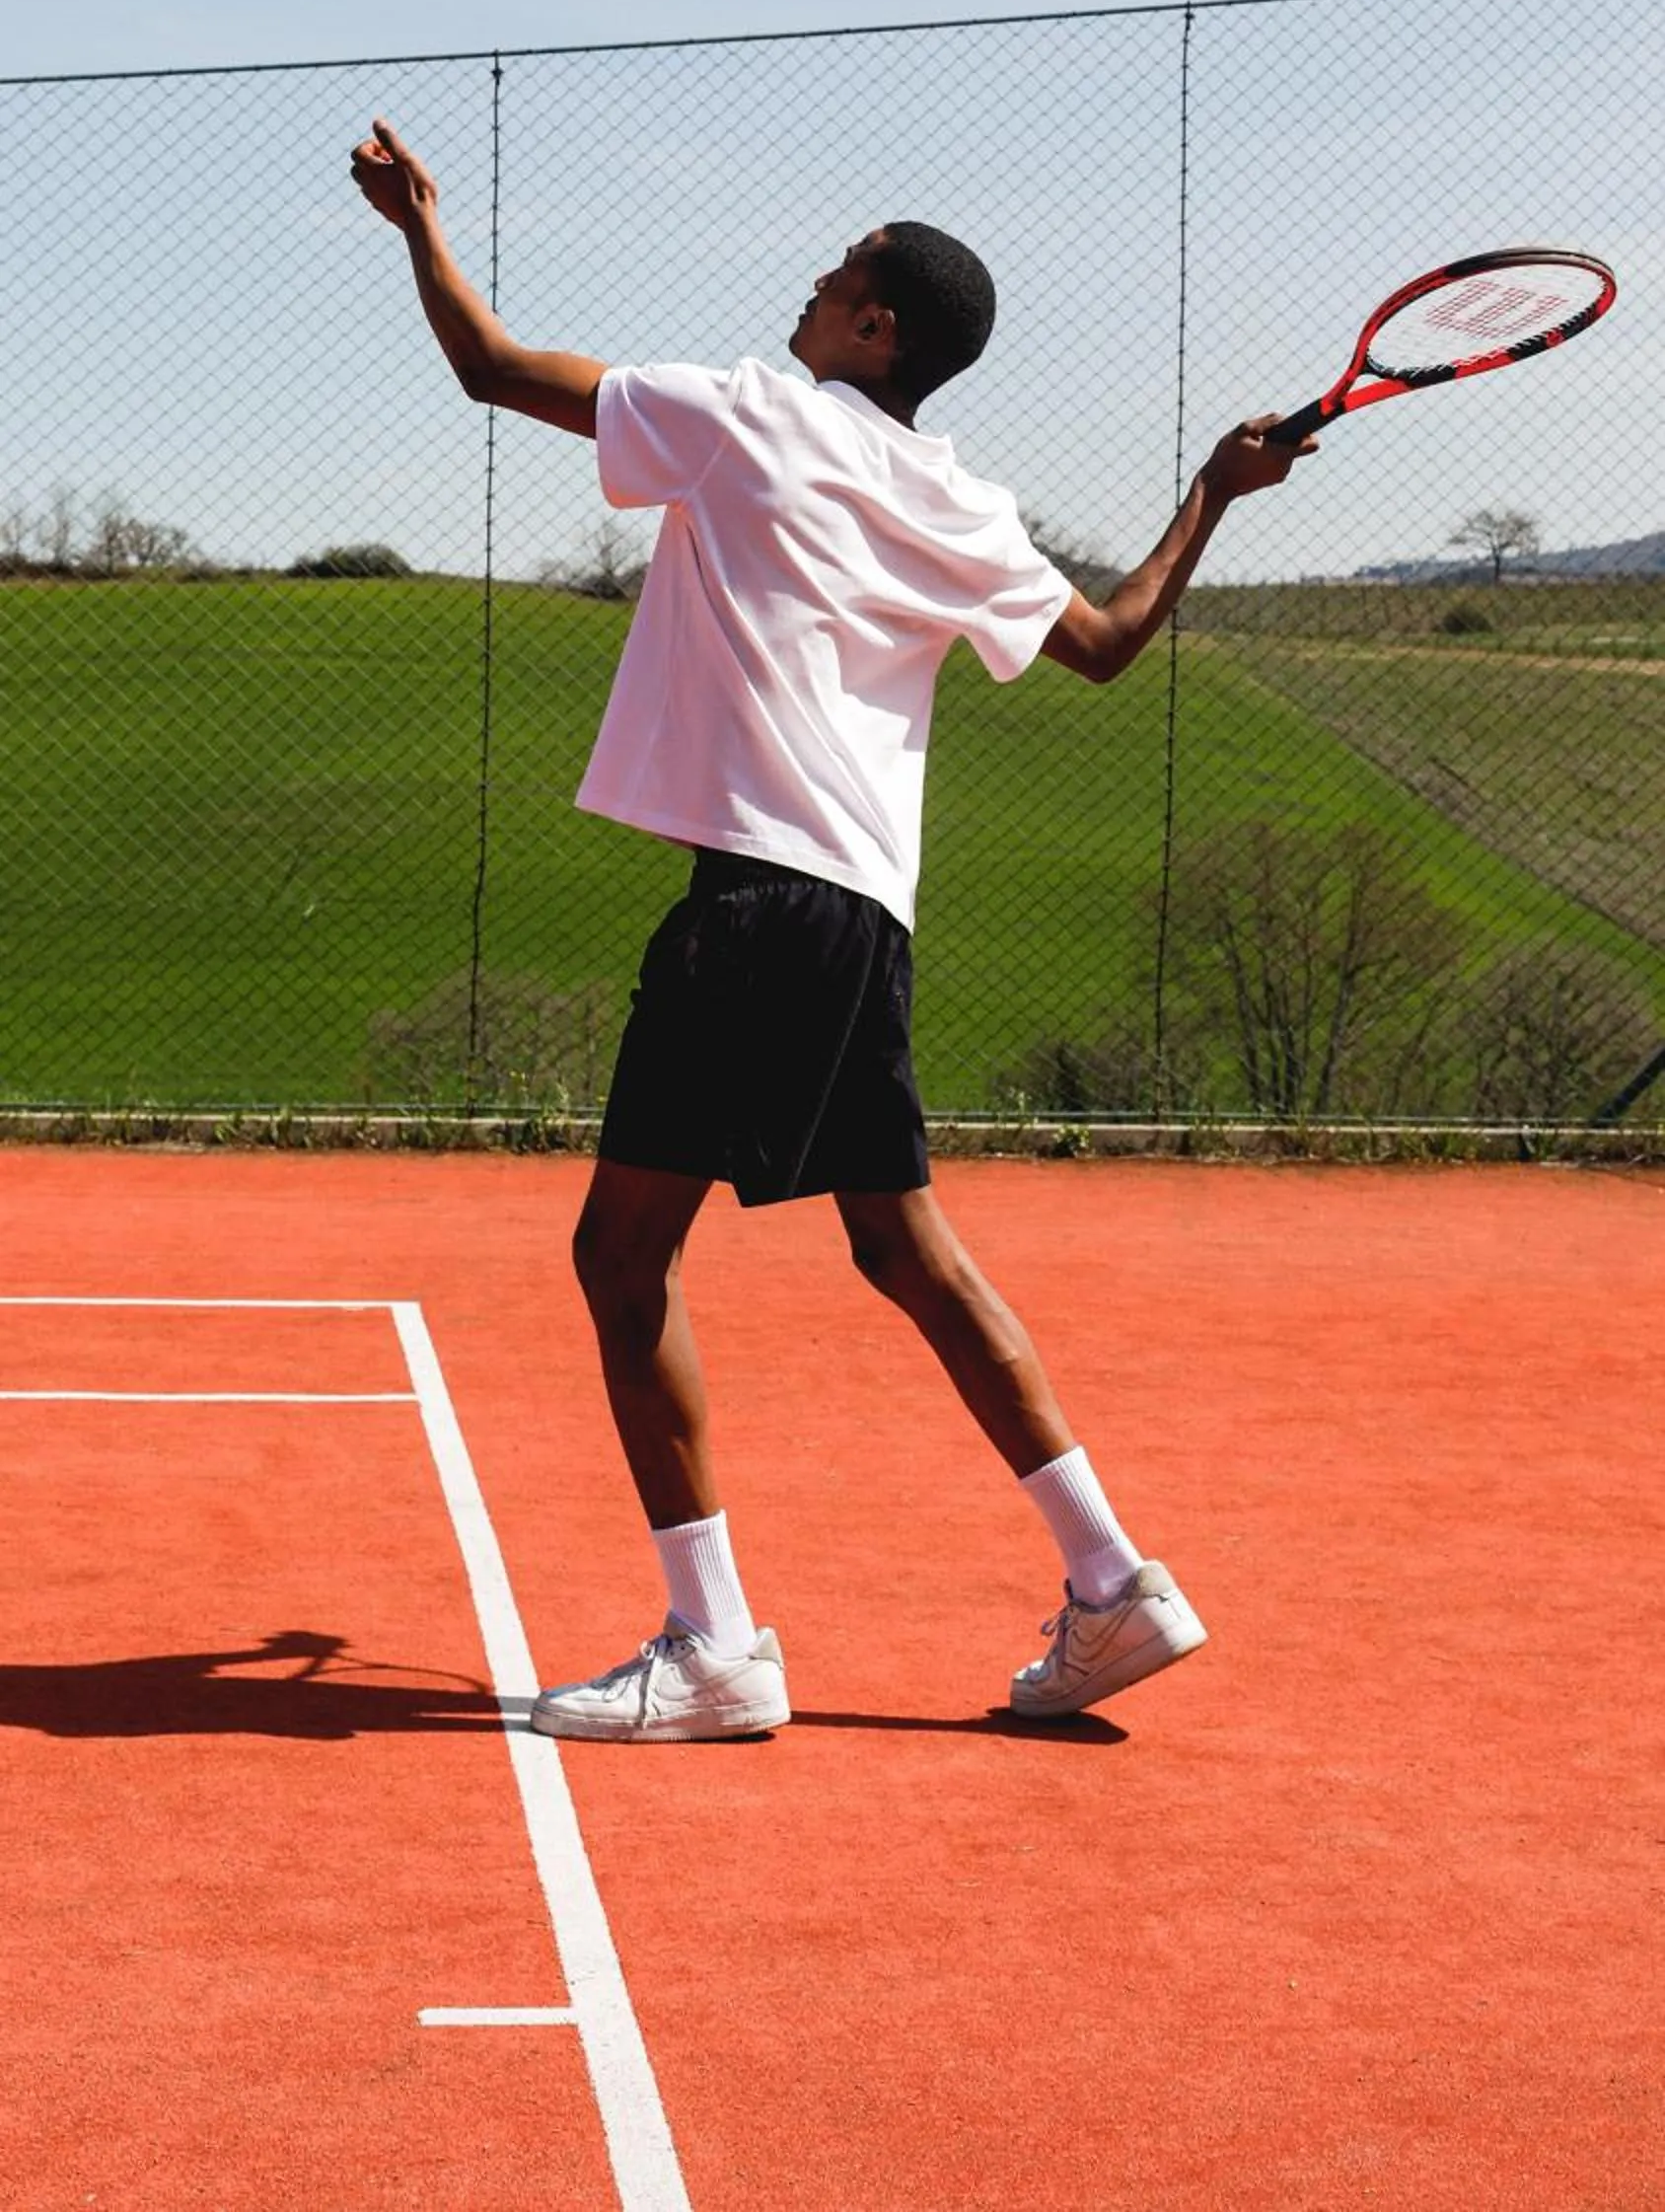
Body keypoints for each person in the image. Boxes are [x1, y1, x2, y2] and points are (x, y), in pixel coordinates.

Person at [350, 117, 1308, 1742]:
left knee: (620, 1254)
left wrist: (416, 226)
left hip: (759, 904)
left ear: (878, 327)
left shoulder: (747, 421)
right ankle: (1114, 1582)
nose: (811, 282)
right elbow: (1108, 640)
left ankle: (714, 1649)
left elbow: (495, 369)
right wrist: (1211, 493)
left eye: (841, 273)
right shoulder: (955, 497)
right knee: (903, 1249)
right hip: (864, 919)